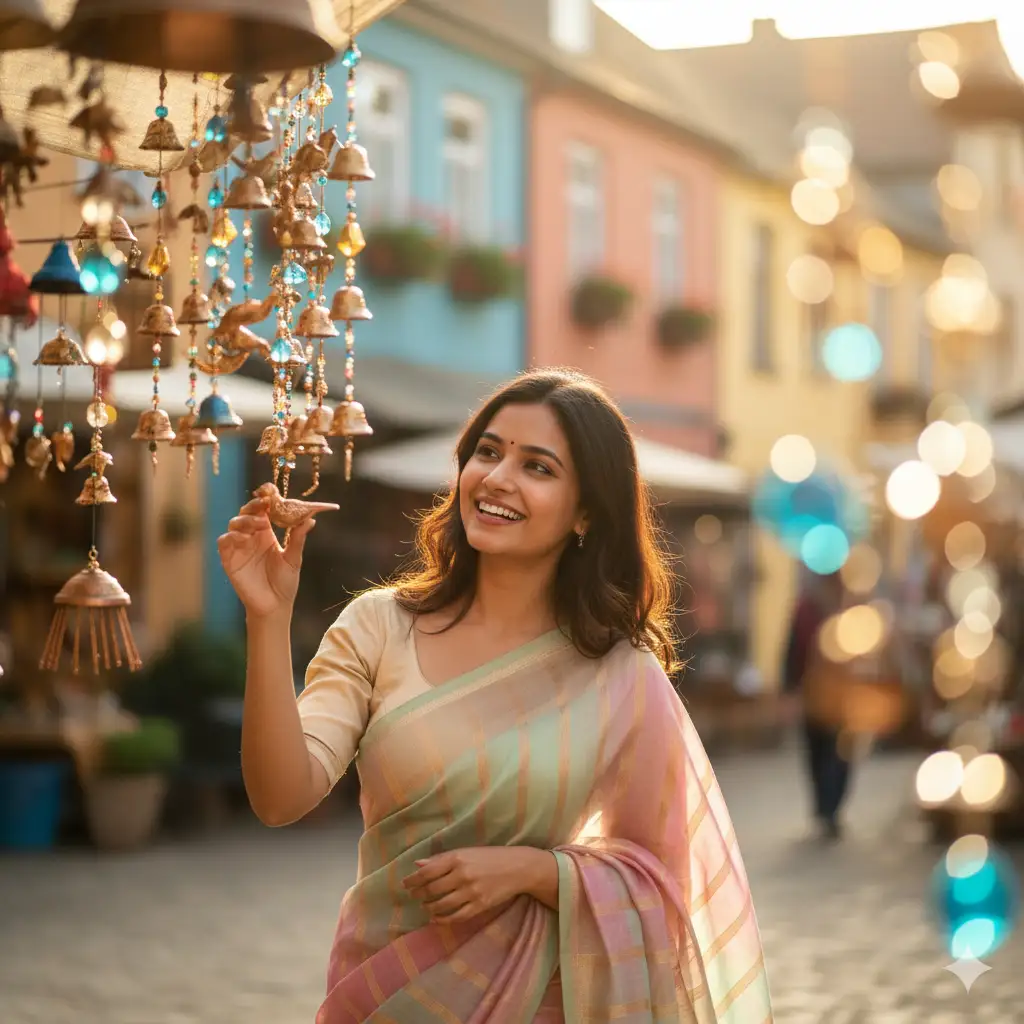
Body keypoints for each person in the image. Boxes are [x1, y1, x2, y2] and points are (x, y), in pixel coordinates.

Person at [219, 368, 773, 1023]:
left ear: (587, 512)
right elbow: (282, 797)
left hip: (542, 997)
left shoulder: (619, 673)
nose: (498, 478)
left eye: (538, 467)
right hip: (386, 987)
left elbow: (663, 884)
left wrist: (535, 873)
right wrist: (267, 619)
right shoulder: (378, 627)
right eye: (487, 452)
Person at [782, 570, 850, 840]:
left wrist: (789, 687)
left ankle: (826, 808)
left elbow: (789, 651)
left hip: (824, 694)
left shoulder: (811, 606)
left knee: (823, 753)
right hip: (831, 695)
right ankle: (828, 808)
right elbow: (791, 650)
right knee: (832, 753)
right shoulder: (826, 606)